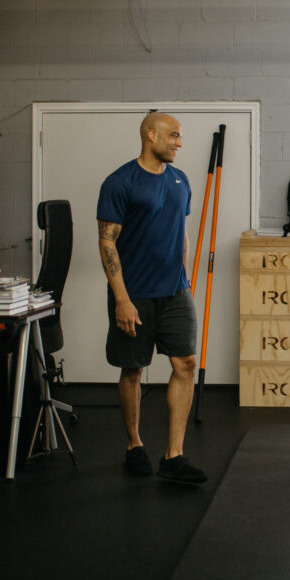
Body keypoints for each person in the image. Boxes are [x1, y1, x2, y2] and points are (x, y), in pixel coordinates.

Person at [96, 111, 207, 484]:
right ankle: (134, 445)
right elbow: (107, 241)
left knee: (186, 364)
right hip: (135, 295)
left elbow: (181, 230)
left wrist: (185, 279)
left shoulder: (180, 180)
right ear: (150, 135)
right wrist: (121, 300)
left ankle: (174, 455)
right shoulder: (119, 182)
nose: (179, 142)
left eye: (180, 137)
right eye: (174, 135)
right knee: (133, 369)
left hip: (175, 291)